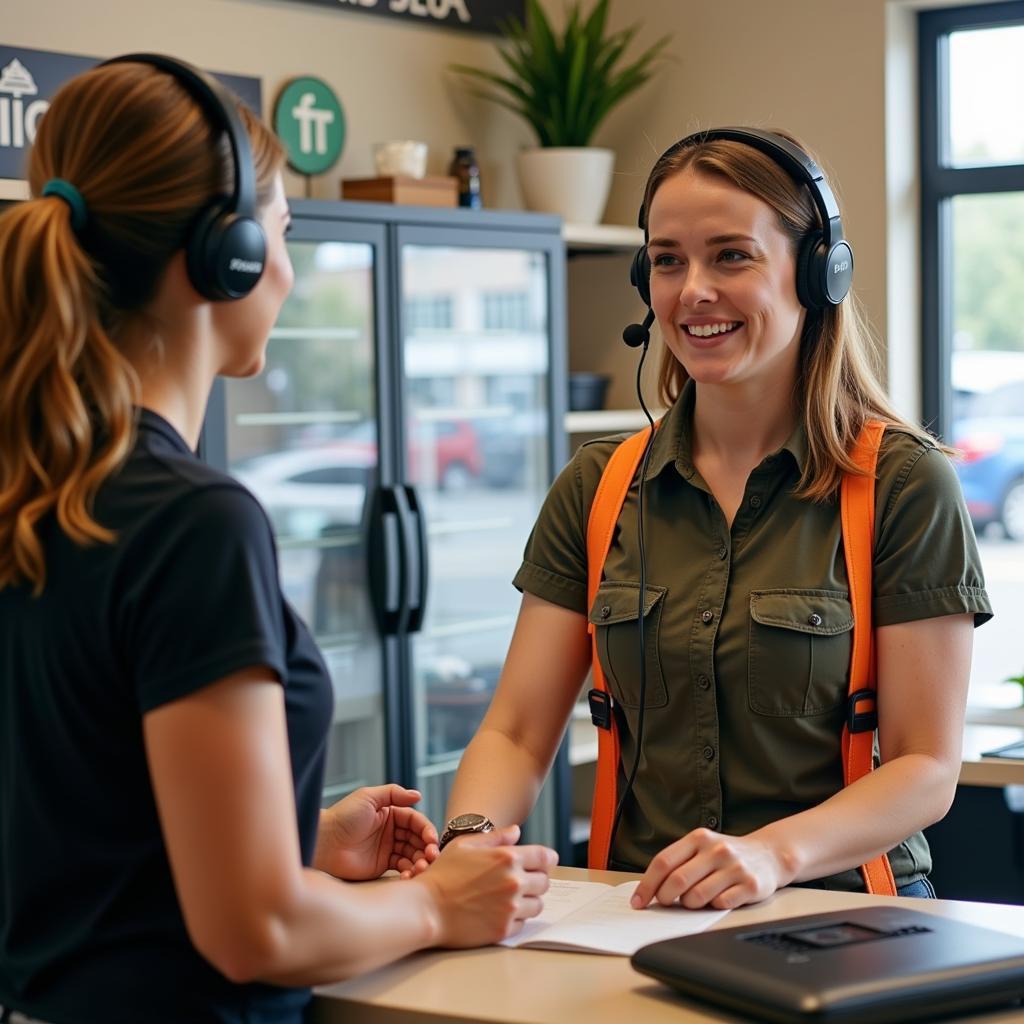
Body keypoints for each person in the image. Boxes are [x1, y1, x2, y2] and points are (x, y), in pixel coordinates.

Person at [0, 55, 556, 1024]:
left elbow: (83, 834)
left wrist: (296, 849)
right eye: (286, 233)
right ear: (229, 256)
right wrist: (436, 901)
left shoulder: (38, 492)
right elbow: (251, 930)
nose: (291, 272)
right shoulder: (191, 522)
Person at [444, 127, 991, 910]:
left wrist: (771, 855)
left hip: (844, 913)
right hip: (633, 917)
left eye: (731, 255)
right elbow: (517, 731)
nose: (691, 289)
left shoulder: (902, 484)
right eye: (667, 259)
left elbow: (926, 767)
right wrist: (470, 843)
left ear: (816, 273)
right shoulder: (599, 486)